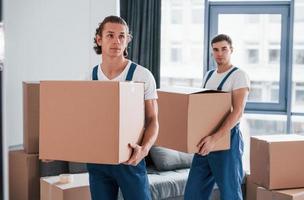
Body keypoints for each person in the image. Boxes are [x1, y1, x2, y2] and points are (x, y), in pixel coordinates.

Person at [86, 15, 159, 200]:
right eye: (110, 35)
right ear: (99, 39)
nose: (116, 41)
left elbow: (153, 120)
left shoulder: (142, 75)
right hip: (98, 160)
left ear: (127, 40)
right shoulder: (91, 76)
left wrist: (145, 149)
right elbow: (84, 121)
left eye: (122, 36)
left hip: (130, 159)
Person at [184, 34, 250, 200]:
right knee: (193, 193)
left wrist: (215, 138)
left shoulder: (239, 75)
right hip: (204, 142)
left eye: (224, 49)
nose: (219, 53)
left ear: (231, 50)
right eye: (215, 49)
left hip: (227, 141)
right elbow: (203, 109)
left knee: (230, 193)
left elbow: (238, 112)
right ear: (211, 52)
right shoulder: (209, 75)